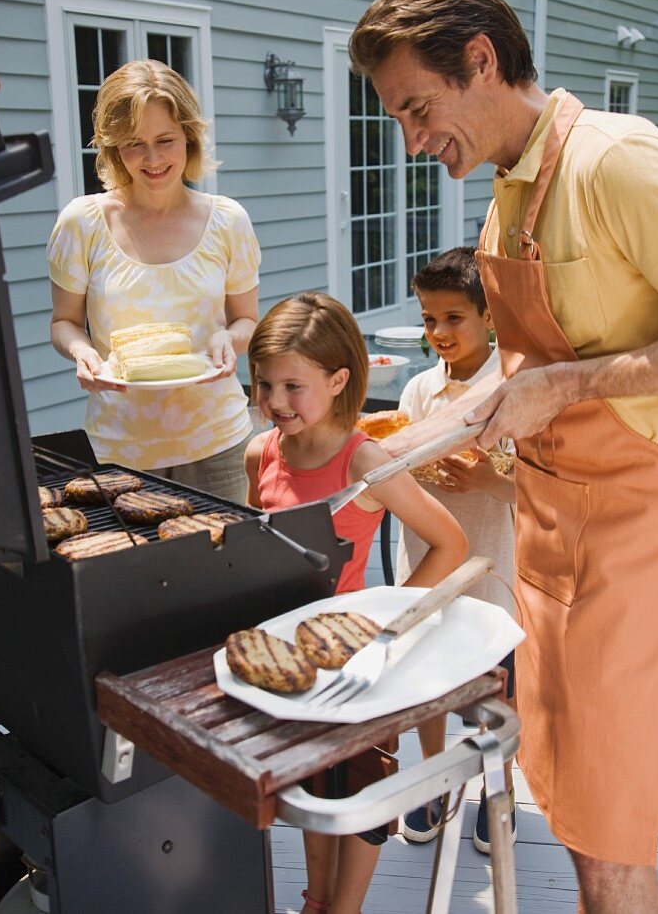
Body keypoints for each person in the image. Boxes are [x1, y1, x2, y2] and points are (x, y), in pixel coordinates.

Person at [349, 0, 658, 913]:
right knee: (574, 818)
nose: (411, 143)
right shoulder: (508, 194)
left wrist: (565, 385)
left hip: (634, 542)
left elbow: (568, 376)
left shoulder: (615, 161)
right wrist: (418, 438)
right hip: (551, 542)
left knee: (615, 843)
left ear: (481, 60)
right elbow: (530, 370)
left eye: (417, 109)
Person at [245, 291, 469, 914]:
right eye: (264, 385)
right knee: (313, 783)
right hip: (289, 659)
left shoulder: (362, 462)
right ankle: (317, 900)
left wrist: (388, 622)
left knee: (363, 790)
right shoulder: (260, 452)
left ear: (339, 379)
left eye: (294, 386)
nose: (275, 402)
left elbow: (450, 542)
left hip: (355, 663)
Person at [47, 59, 260, 503]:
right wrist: (83, 351)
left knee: (225, 570)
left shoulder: (228, 221)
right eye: (134, 144)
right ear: (112, 149)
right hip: (122, 448)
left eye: (165, 140)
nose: (153, 159)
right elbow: (63, 323)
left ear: (189, 136)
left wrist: (229, 338)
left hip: (218, 442)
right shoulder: (82, 222)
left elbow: (247, 320)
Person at [394, 247, 517, 855]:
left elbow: (536, 488)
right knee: (425, 684)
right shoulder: (418, 391)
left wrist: (487, 481)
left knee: (493, 686)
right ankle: (437, 778)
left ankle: (499, 788)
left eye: (453, 318)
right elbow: (393, 462)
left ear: (489, 317)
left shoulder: (512, 389)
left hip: (492, 568)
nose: (438, 332)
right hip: (424, 565)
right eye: (428, 318)